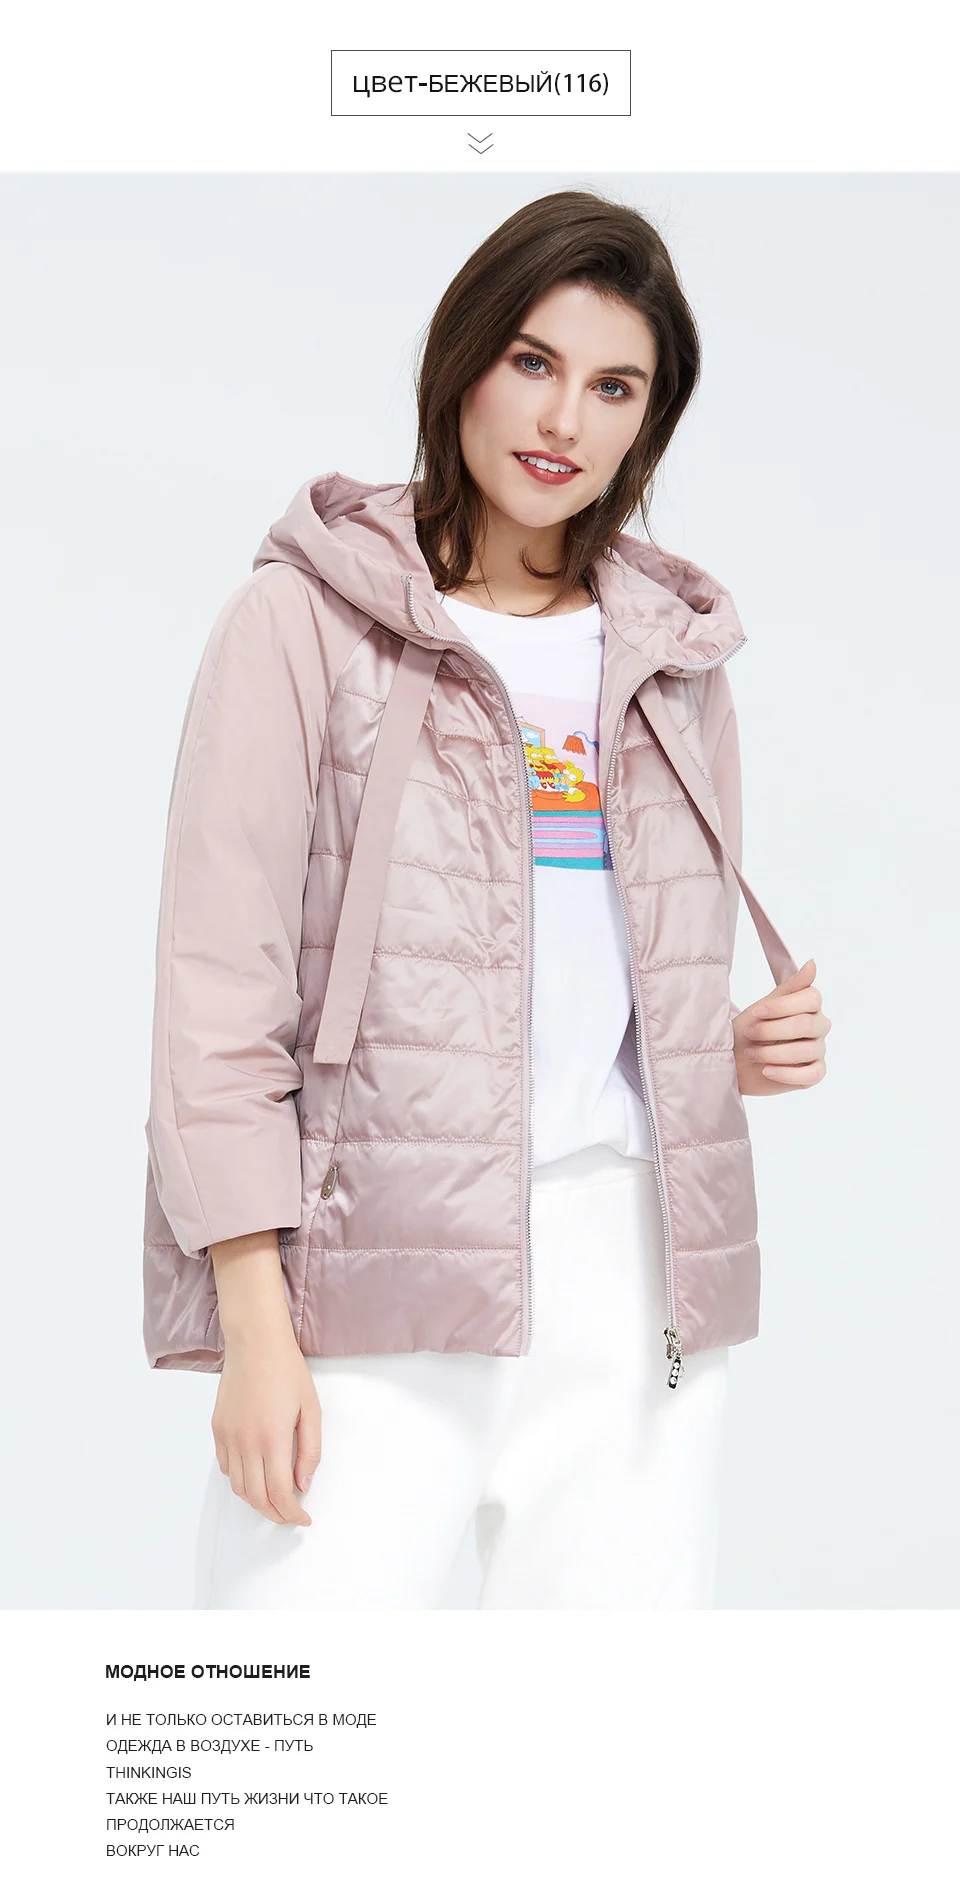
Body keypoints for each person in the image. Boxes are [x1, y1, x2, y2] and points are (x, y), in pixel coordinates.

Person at [142, 189, 830, 1610]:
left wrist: (720, 1048)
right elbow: (217, 996)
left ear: (648, 421)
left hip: (636, 1290)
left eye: (614, 386)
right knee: (288, 1721)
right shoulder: (304, 620)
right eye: (533, 361)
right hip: (374, 1277)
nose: (564, 418)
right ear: (461, 362)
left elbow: (599, 978)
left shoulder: (674, 661)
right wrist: (254, 1323)